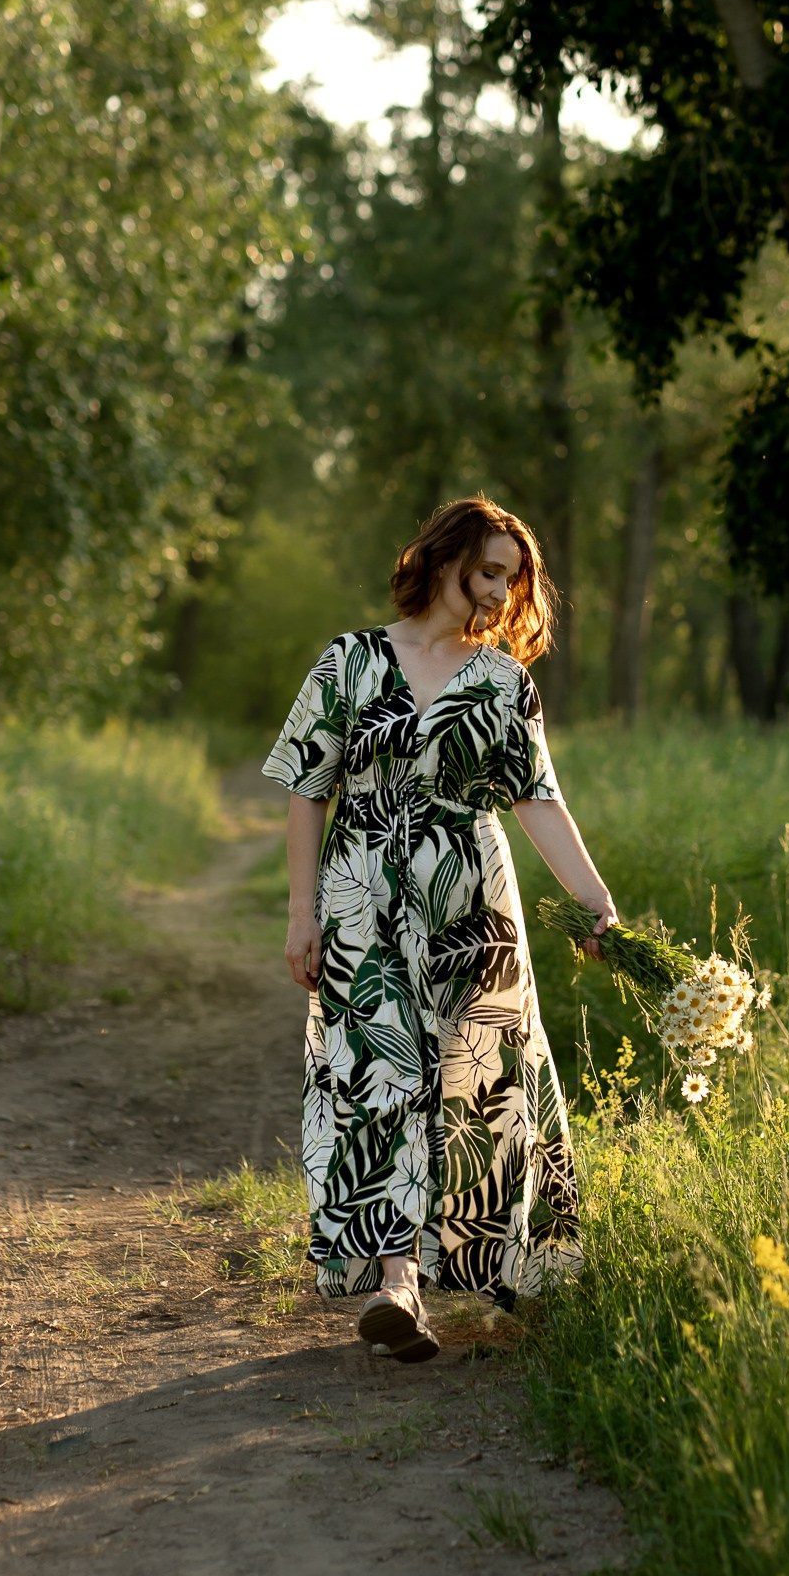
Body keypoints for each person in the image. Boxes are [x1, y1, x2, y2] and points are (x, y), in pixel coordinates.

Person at [262, 496, 618, 1363]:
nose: (499, 592)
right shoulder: (348, 661)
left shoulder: (504, 685)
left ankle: (511, 1272)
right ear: (446, 556)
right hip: (359, 896)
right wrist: (302, 911)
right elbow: (310, 793)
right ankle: (399, 1286)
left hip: (472, 904)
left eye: (513, 579)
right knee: (379, 1074)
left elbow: (540, 801)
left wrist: (598, 904)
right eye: (489, 570)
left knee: (476, 1081)